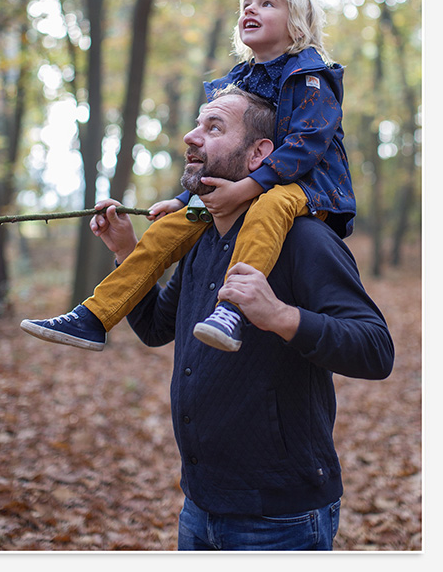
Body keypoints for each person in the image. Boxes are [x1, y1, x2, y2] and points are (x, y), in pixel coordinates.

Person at [91, 86, 393, 550]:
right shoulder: (201, 239)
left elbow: (376, 350)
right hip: (199, 506)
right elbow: (155, 329)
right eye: (197, 124)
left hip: (280, 519)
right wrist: (126, 252)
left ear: (259, 154)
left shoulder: (305, 240)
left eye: (214, 127)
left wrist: (279, 316)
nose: (192, 137)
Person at [21, 0, 354, 353]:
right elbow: (222, 154)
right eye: (246, 4)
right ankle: (96, 316)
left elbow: (306, 145)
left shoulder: (312, 78)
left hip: (305, 187)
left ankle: (232, 310)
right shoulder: (241, 80)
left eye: (266, 4)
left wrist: (248, 186)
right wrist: (184, 200)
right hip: (245, 188)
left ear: (297, 24)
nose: (251, 10)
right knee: (168, 231)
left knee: (270, 208)